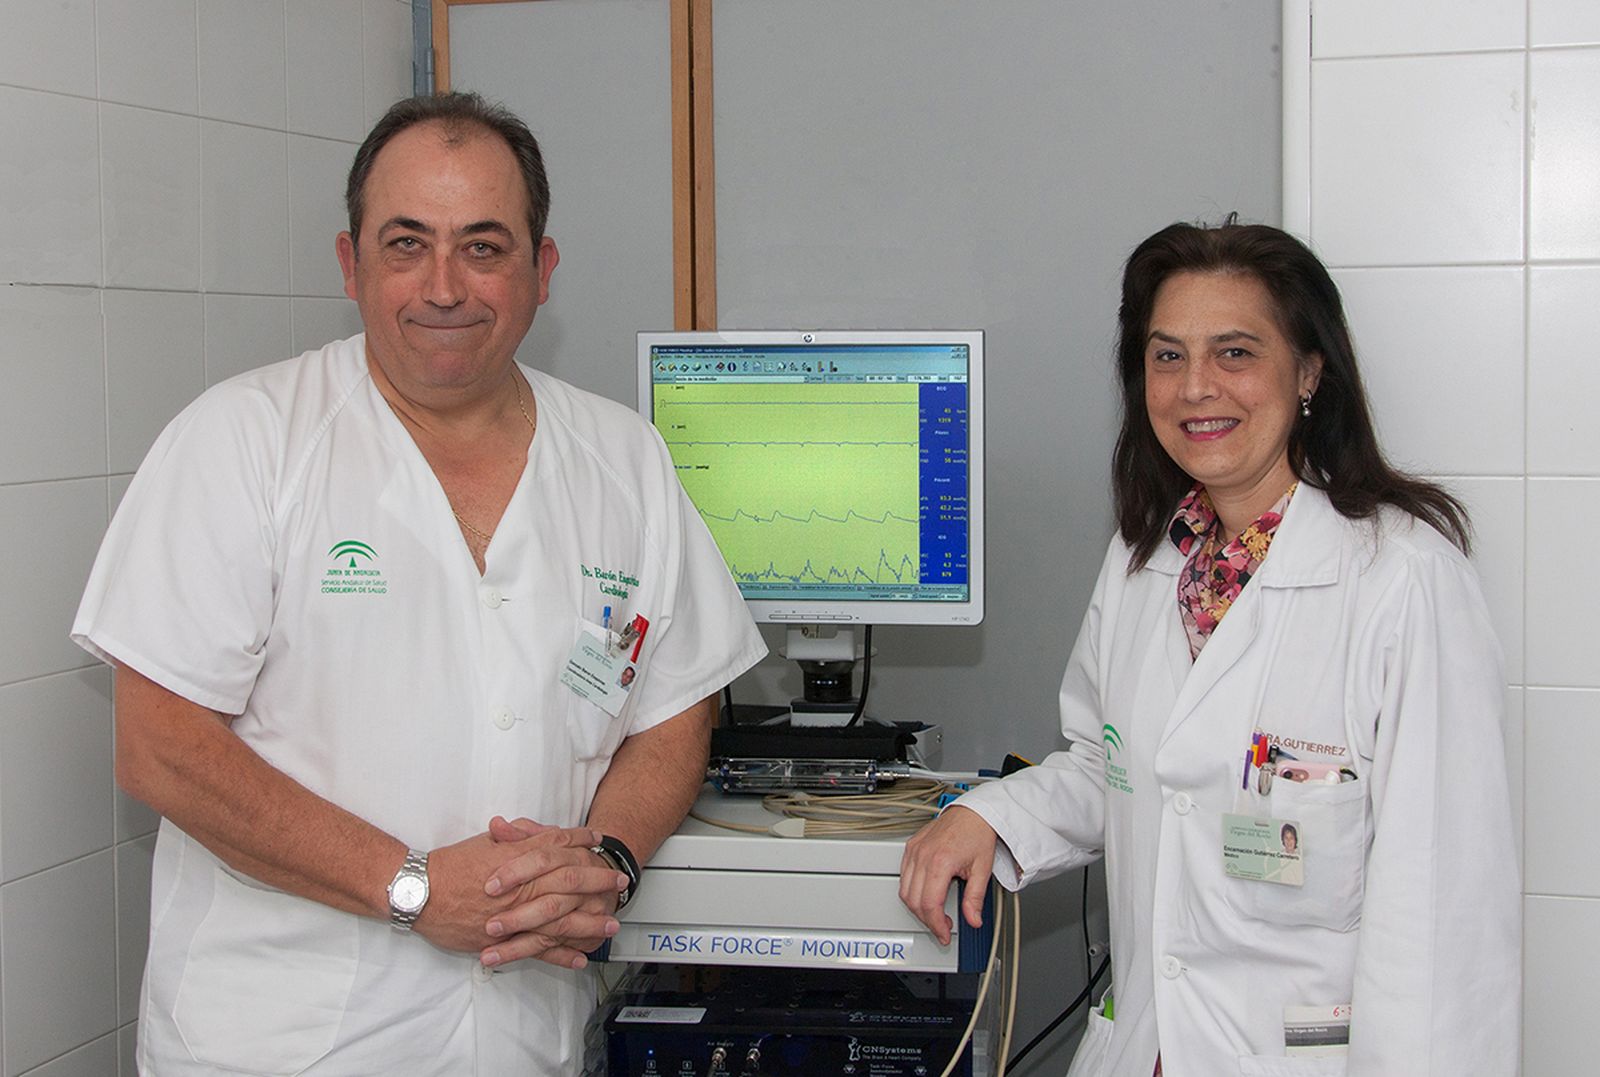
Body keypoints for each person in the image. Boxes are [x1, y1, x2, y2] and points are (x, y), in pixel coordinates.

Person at [72, 93, 766, 1076]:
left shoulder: (624, 459)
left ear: (542, 270)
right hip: (283, 1042)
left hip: (524, 1035)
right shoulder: (247, 441)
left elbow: (673, 708)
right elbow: (159, 749)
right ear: (352, 265)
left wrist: (605, 859)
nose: (445, 287)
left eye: (484, 247)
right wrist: (406, 886)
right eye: (407, 244)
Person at [899, 220, 1518, 1075]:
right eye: (1166, 356)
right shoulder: (1146, 557)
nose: (1195, 388)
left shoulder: (1403, 580)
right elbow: (1108, 765)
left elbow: (1446, 913)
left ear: (1308, 371)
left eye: (1234, 353)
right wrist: (990, 816)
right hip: (1145, 1046)